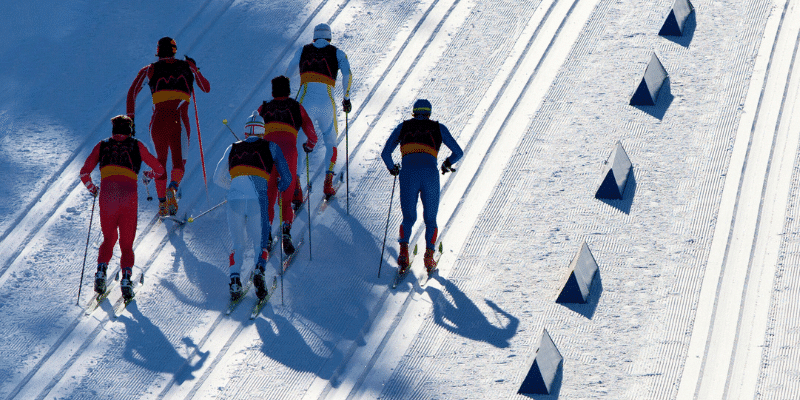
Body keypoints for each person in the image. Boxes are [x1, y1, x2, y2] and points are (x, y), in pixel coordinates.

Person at [80, 115, 165, 300]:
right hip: (129, 197)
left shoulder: (102, 145)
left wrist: (93, 188)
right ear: (130, 130)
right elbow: (160, 169)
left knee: (109, 238)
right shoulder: (137, 145)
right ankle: (126, 279)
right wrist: (148, 175)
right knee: (127, 244)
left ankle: (101, 272)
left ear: (113, 129)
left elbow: (84, 173)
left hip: (107, 196)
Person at [126, 36, 211, 217]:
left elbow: (132, 92)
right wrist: (195, 69)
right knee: (180, 161)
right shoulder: (187, 66)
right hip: (179, 121)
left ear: (158, 52)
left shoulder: (150, 69)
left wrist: (131, 119)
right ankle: (172, 188)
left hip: (158, 121)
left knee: (161, 163)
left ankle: (162, 204)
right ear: (174, 50)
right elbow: (206, 88)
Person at [213, 111, 292, 300]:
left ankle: (234, 281)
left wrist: (232, 186)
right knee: (260, 243)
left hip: (235, 199)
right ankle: (259, 272)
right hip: (258, 198)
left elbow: (217, 177)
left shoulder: (232, 147)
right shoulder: (271, 146)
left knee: (238, 243)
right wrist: (281, 185)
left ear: (246, 132)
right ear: (263, 132)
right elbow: (287, 177)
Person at [381, 99, 463, 274]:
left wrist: (392, 168)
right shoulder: (439, 128)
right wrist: (447, 163)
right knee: (430, 219)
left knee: (408, 217)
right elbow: (458, 152)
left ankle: (403, 254)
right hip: (429, 174)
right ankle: (429, 257)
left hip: (408, 174)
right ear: (429, 113)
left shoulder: (403, 127)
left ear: (414, 112)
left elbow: (386, 153)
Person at [286, 23, 352, 200]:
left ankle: (296, 187)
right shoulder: (337, 52)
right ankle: (328, 183)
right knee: (331, 141)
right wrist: (346, 97)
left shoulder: (303, 50)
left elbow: (290, 70)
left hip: (304, 101)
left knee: (299, 142)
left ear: (314, 37)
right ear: (329, 37)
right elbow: (347, 73)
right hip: (326, 102)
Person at [258, 76, 317, 256]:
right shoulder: (296, 107)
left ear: (273, 91)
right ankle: (286, 232)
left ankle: (267, 234)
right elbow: (311, 131)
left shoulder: (264, 108)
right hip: (288, 152)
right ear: (289, 90)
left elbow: (251, 129)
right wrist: (310, 145)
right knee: (287, 192)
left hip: (268, 152)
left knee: (269, 194)